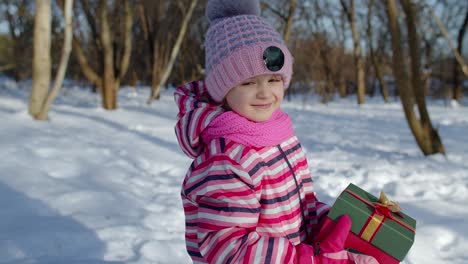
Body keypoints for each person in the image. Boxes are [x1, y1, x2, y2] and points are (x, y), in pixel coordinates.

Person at [174, 0, 378, 263]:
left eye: (273, 79)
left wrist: (328, 226)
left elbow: (301, 207)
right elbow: (231, 250)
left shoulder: (280, 136)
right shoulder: (228, 159)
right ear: (223, 90)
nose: (264, 92)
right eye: (248, 82)